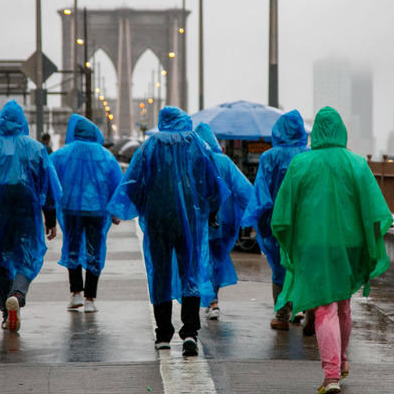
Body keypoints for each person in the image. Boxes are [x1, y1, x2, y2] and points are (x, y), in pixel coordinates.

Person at [271, 106, 393, 394]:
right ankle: (342, 360)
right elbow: (375, 210)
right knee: (343, 304)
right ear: (341, 130)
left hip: (313, 245)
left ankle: (331, 374)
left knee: (324, 308)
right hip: (348, 246)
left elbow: (283, 213)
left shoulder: (300, 164)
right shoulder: (357, 164)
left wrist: (292, 241)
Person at [110, 106, 226, 357]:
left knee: (160, 273)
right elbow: (213, 180)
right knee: (190, 273)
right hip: (190, 221)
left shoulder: (149, 146)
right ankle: (190, 332)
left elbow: (132, 182)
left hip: (158, 220)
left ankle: (163, 334)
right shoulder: (195, 143)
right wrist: (212, 212)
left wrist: (137, 207)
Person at [0, 100, 61, 332]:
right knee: (28, 256)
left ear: (0, 122)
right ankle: (17, 293)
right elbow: (47, 187)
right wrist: (50, 218)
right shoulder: (36, 149)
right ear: (22, 123)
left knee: (2, 259)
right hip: (27, 213)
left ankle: (6, 314)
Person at [241, 109, 308, 330]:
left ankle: (281, 315)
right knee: (303, 265)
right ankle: (301, 308)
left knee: (280, 268)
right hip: (305, 222)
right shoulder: (308, 156)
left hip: (276, 222)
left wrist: (257, 218)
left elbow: (261, 191)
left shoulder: (269, 157)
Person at [50, 114, 123, 313]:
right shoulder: (106, 155)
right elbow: (117, 183)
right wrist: (116, 212)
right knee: (95, 252)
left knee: (72, 248)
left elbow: (48, 177)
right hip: (97, 211)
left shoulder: (62, 154)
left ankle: (75, 294)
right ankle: (90, 299)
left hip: (72, 209)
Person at [194, 123, 253, 320]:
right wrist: (253, 215)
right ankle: (213, 301)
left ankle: (201, 299)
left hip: (198, 221)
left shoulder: (192, 161)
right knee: (217, 260)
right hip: (223, 222)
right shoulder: (224, 162)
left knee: (199, 260)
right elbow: (244, 189)